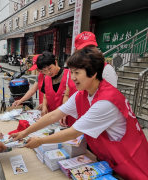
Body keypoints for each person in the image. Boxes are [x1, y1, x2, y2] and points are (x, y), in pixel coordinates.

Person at [10, 48, 148, 179]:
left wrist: (39, 141)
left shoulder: (106, 101)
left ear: (93, 73)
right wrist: (24, 133)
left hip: (130, 158)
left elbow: (73, 132)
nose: (73, 78)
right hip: (110, 156)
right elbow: (54, 115)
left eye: (77, 73)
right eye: (71, 72)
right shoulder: (82, 94)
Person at [60, 31, 118, 127]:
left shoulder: (106, 69)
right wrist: (64, 112)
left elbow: (111, 99)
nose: (89, 52)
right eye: (84, 49)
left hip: (96, 121)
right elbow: (67, 94)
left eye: (91, 48)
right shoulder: (73, 70)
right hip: (76, 116)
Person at [36, 52, 77, 127]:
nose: (48, 72)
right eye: (44, 70)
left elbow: (69, 96)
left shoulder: (70, 75)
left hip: (66, 118)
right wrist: (44, 107)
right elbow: (45, 96)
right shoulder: (46, 78)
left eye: (50, 68)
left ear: (55, 62)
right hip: (52, 118)